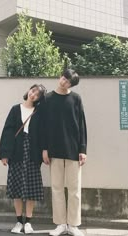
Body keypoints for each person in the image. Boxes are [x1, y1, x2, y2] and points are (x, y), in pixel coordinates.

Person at [42, 69, 87, 236]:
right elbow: (43, 126)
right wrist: (44, 149)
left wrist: (83, 149)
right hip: (53, 150)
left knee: (75, 189)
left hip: (74, 150)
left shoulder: (76, 99)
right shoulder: (47, 99)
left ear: (71, 84)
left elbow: (81, 124)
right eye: (63, 78)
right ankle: (61, 224)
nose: (63, 82)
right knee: (57, 188)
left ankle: (73, 225)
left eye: (67, 81)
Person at [0, 84, 46, 234]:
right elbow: (7, 131)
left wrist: (44, 152)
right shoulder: (15, 109)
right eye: (33, 91)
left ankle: (29, 223)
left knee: (31, 188)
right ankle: (19, 221)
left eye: (37, 95)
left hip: (33, 153)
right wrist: (4, 153)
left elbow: (43, 133)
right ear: (28, 91)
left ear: (39, 98)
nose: (33, 95)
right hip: (17, 152)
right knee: (16, 188)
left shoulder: (39, 112)